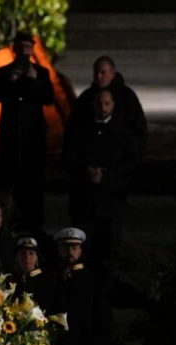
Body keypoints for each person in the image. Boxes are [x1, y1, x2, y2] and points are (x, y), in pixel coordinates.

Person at [63, 88, 141, 274]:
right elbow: (68, 157)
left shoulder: (123, 132)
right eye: (99, 103)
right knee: (82, 252)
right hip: (84, 203)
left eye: (107, 103)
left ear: (113, 105)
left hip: (112, 203)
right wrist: (86, 170)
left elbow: (131, 162)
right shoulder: (80, 129)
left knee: (109, 253)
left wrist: (107, 175)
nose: (103, 107)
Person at [0, 33, 55, 230]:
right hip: (10, 135)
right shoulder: (3, 72)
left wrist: (35, 81)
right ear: (14, 50)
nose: (24, 51)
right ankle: (7, 221)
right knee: (7, 180)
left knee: (33, 181)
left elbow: (49, 98)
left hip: (33, 136)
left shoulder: (41, 73)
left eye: (28, 47)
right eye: (21, 47)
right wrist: (11, 80)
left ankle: (34, 223)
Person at [66, 55, 147, 157]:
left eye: (102, 72)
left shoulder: (127, 97)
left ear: (112, 73)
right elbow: (73, 131)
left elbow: (139, 130)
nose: (98, 76)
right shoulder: (86, 98)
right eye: (96, 73)